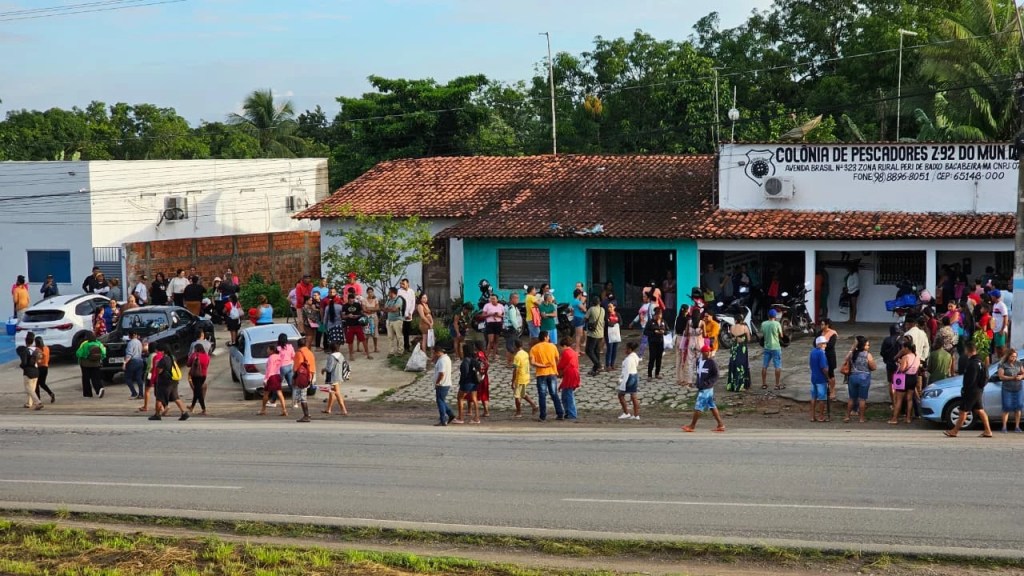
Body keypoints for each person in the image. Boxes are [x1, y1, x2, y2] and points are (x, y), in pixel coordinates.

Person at [945, 341, 993, 438]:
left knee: (963, 411)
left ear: (968, 350)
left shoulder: (972, 364)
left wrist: (965, 390)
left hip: (971, 391)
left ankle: (954, 431)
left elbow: (970, 380)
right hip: (978, 390)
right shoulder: (980, 362)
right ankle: (988, 430)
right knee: (980, 410)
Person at [681, 345, 725, 432]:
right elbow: (699, 374)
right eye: (706, 351)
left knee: (698, 406)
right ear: (702, 352)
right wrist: (698, 382)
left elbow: (716, 375)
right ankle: (721, 424)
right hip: (703, 387)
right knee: (712, 405)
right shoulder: (698, 361)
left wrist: (708, 383)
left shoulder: (712, 362)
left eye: (709, 351)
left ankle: (692, 426)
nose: (708, 353)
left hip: (706, 388)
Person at [150, 343, 190, 421]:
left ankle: (157, 415)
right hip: (174, 381)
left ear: (163, 351)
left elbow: (159, 371)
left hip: (165, 382)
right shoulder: (172, 358)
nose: (158, 352)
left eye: (159, 350)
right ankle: (184, 412)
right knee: (176, 397)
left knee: (159, 398)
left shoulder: (163, 360)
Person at [530, 330, 563, 422]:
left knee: (542, 395)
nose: (549, 338)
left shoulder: (534, 348)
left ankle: (543, 416)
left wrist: (542, 365)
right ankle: (560, 413)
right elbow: (557, 359)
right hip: (552, 373)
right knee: (554, 393)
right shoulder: (552, 346)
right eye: (548, 336)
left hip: (541, 374)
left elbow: (532, 362)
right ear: (545, 337)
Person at [843, 336, 877, 423]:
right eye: (867, 345)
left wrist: (852, 347)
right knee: (862, 399)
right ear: (863, 346)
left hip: (853, 377)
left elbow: (845, 360)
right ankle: (861, 418)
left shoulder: (852, 353)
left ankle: (847, 416)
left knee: (851, 398)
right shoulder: (868, 355)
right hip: (864, 377)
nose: (868, 347)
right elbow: (873, 367)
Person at [889, 338, 919, 425]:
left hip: (904, 378)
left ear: (907, 348)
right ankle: (908, 418)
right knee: (909, 399)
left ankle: (894, 419)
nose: (902, 349)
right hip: (913, 378)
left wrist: (900, 362)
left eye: (903, 348)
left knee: (899, 399)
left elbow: (902, 369)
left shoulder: (906, 357)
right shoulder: (917, 356)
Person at [341, 289, 372, 360]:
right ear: (348, 299)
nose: (352, 302)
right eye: (350, 301)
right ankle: (351, 355)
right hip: (349, 325)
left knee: (363, 339)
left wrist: (358, 316)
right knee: (350, 342)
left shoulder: (357, 304)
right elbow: (343, 316)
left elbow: (361, 313)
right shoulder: (345, 306)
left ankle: (368, 354)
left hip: (358, 325)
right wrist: (348, 316)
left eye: (353, 300)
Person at [997, 349, 1023, 433]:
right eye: (1012, 356)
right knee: (1006, 407)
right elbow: (1001, 376)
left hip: (1018, 388)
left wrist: (1021, 377)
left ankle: (1017, 426)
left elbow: (1023, 373)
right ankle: (1004, 426)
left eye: (1015, 356)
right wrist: (1012, 378)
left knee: (1018, 407)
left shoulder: (1018, 363)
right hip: (1007, 388)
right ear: (1008, 356)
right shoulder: (1002, 365)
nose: (1014, 358)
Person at [510, 340, 538, 418]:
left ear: (515, 346)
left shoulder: (517, 356)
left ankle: (518, 412)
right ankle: (533, 405)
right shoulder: (525, 353)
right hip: (526, 375)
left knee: (517, 396)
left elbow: (515, 370)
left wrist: (512, 381)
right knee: (522, 393)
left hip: (520, 377)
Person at [556, 337, 581, 421]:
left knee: (568, 395)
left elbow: (561, 365)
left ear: (564, 346)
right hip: (574, 374)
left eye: (561, 347)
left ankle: (572, 413)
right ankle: (568, 412)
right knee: (566, 394)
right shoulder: (574, 352)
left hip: (569, 375)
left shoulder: (566, 353)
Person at [258, 344, 288, 417]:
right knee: (279, 392)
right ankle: (284, 410)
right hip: (277, 375)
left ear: (272, 350)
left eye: (268, 349)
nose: (267, 351)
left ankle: (263, 409)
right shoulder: (279, 357)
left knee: (266, 393)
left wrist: (266, 379)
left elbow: (270, 369)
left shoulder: (271, 358)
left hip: (271, 376)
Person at [455, 343, 481, 424]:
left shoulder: (465, 361)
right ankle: (477, 418)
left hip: (466, 383)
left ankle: (460, 417)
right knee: (474, 399)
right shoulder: (475, 360)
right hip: (475, 382)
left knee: (460, 398)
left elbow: (464, 373)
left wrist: (461, 382)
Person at [17, 333, 44, 411]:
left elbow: (24, 363)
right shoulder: (36, 349)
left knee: (28, 388)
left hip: (28, 372)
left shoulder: (25, 351)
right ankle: (29, 403)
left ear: (26, 341)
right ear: (33, 341)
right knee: (32, 388)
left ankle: (38, 402)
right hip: (36, 371)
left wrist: (21, 366)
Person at [725, 313, 752, 392]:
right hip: (742, 348)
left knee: (733, 364)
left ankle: (732, 385)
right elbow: (749, 339)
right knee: (741, 365)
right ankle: (741, 385)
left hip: (734, 348)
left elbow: (732, 337)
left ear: (735, 320)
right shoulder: (745, 327)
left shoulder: (732, 327)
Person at [293, 337, 316, 422]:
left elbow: (297, 367)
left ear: (298, 345)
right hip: (311, 375)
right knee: (304, 395)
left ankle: (306, 415)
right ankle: (307, 414)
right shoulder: (309, 352)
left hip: (303, 376)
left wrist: (294, 377)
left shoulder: (299, 353)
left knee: (303, 397)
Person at [76, 332, 106, 398]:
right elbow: (103, 354)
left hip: (85, 364)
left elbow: (79, 353)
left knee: (86, 379)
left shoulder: (85, 344)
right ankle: (99, 389)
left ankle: (87, 394)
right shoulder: (99, 344)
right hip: (96, 364)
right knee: (96, 378)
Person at [322, 342, 349, 416]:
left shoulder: (331, 357)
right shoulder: (341, 355)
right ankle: (328, 409)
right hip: (339, 375)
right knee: (332, 392)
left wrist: (323, 369)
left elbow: (329, 369)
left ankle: (343, 409)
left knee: (337, 393)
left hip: (333, 377)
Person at [617, 341, 641, 421]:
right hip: (635, 375)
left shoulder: (628, 359)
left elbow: (626, 372)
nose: (625, 350)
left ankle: (626, 413)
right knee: (634, 396)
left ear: (630, 349)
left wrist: (622, 382)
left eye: (626, 348)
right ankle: (636, 415)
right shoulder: (635, 356)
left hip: (629, 377)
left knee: (620, 395)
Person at [432, 347, 456, 426]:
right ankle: (450, 414)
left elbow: (441, 373)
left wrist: (437, 382)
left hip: (442, 384)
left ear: (438, 352)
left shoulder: (442, 361)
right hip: (446, 383)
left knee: (440, 402)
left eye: (434, 353)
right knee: (442, 400)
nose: (433, 354)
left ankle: (443, 419)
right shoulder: (446, 358)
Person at [761, 309, 784, 390]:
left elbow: (763, 333)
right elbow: (781, 335)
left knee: (764, 366)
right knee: (777, 366)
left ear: (768, 316)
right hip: (776, 347)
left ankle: (764, 384)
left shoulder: (763, 324)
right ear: (775, 316)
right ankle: (777, 385)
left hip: (767, 347)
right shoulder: (777, 324)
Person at [186, 340, 210, 415]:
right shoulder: (207, 356)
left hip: (195, 376)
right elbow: (207, 365)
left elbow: (188, 364)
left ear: (196, 349)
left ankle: (204, 409)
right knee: (197, 391)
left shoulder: (194, 355)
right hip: (203, 375)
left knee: (198, 392)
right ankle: (192, 406)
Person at [809, 336, 830, 422]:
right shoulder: (821, 353)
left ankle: (812, 416)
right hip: (821, 379)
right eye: (824, 343)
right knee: (822, 398)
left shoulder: (812, 352)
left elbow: (810, 364)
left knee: (813, 397)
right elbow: (824, 367)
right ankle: (821, 416)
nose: (825, 345)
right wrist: (828, 377)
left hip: (813, 377)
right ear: (820, 344)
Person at [644, 307, 668, 380]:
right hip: (653, 342)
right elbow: (645, 332)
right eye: (658, 315)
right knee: (652, 358)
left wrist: (664, 332)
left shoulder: (663, 321)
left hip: (661, 342)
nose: (659, 316)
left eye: (660, 315)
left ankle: (657, 373)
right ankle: (649, 375)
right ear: (655, 315)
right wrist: (654, 332)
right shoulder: (651, 322)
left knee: (659, 358)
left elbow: (667, 330)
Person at [584, 295, 605, 376]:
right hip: (600, 333)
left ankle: (598, 365)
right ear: (599, 302)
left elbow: (585, 318)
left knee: (589, 350)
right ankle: (595, 369)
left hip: (592, 334)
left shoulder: (591, 309)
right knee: (596, 351)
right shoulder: (602, 310)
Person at [819, 318, 839, 401]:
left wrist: (822, 345)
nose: (821, 326)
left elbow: (831, 345)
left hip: (830, 356)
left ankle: (832, 391)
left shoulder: (833, 334)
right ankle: (824, 390)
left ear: (827, 325)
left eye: (823, 324)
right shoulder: (820, 333)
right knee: (823, 372)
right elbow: (814, 342)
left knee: (831, 373)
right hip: (822, 356)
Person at [275, 333, 296, 407]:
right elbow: (294, 356)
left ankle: (273, 401)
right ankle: (295, 402)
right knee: (291, 384)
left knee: (277, 384)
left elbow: (277, 359)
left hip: (282, 367)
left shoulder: (278, 348)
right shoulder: (290, 346)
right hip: (290, 366)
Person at [384, 287, 406, 357]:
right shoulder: (388, 300)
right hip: (389, 320)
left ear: (393, 293)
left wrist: (389, 309)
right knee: (390, 337)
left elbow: (394, 309)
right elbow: (385, 309)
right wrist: (391, 309)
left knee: (399, 336)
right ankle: (391, 352)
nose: (388, 293)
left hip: (397, 320)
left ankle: (400, 351)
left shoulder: (398, 299)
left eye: (389, 292)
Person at [123, 331, 145, 400]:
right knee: (139, 378)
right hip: (140, 361)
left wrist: (124, 363)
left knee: (128, 378)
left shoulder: (130, 343)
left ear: (129, 336)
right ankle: (141, 394)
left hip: (133, 362)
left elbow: (129, 354)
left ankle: (134, 393)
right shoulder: (139, 342)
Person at [482, 294, 505, 360]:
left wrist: (499, 315)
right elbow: (483, 315)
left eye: (494, 299)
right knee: (491, 340)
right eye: (491, 299)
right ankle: (487, 355)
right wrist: (490, 314)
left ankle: (494, 355)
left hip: (498, 323)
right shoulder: (487, 305)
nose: (493, 300)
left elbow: (504, 315)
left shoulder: (501, 306)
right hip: (490, 324)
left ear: (497, 300)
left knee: (496, 340)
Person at [33, 336, 54, 404]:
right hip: (46, 367)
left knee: (36, 384)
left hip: (39, 368)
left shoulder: (37, 350)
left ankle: (38, 399)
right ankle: (50, 393)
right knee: (42, 383)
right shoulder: (46, 348)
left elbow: (38, 360)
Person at [990, 289, 1010, 361]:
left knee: (1002, 348)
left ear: (994, 296)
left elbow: (1006, 317)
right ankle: (1000, 361)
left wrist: (1002, 329)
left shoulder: (1002, 305)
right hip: (996, 329)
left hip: (1000, 330)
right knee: (998, 347)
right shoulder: (995, 305)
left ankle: (1005, 361)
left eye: (992, 295)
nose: (991, 297)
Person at [504, 292, 523, 363]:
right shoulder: (511, 307)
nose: (518, 300)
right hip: (511, 328)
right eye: (517, 298)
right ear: (512, 298)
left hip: (508, 328)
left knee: (510, 345)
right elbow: (513, 319)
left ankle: (510, 362)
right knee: (510, 346)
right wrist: (518, 328)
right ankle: (510, 363)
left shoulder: (508, 306)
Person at [397, 278, 416, 353]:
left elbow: (413, 303)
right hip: (401, 315)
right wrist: (403, 314)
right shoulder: (399, 292)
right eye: (401, 284)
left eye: (403, 284)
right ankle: (401, 347)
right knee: (400, 332)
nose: (402, 285)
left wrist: (410, 313)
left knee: (407, 332)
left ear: (408, 284)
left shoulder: (411, 291)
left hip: (409, 315)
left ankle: (407, 347)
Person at [474, 341, 492, 417]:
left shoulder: (478, 355)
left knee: (480, 394)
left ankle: (485, 411)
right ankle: (486, 410)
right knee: (484, 393)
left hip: (480, 377)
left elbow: (479, 366)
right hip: (485, 376)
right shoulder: (483, 354)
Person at [362, 287, 380, 354]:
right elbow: (364, 309)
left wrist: (369, 308)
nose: (370, 293)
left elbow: (377, 308)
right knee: (366, 333)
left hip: (374, 317)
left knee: (375, 333)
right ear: (367, 293)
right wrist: (373, 308)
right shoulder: (364, 300)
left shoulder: (376, 299)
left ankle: (375, 347)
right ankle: (366, 349)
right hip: (367, 318)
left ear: (373, 292)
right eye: (369, 292)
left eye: (371, 292)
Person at [604, 302, 621, 373]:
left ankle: (612, 364)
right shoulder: (606, 315)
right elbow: (607, 323)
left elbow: (621, 322)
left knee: (615, 349)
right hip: (608, 334)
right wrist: (613, 323)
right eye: (608, 307)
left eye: (611, 307)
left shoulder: (617, 314)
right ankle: (607, 365)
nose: (609, 308)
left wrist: (614, 323)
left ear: (614, 307)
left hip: (616, 334)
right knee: (609, 349)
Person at [571, 289, 587, 353]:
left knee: (578, 335)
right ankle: (577, 350)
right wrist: (583, 303)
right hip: (579, 318)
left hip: (577, 317)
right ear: (579, 294)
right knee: (578, 335)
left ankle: (578, 349)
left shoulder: (574, 301)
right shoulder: (578, 302)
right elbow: (584, 309)